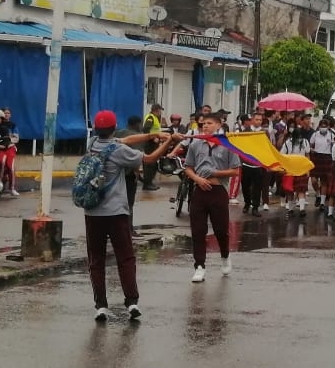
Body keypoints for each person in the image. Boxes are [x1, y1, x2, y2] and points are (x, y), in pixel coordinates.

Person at [82, 110, 175, 323]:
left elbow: (125, 140)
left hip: (92, 213)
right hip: (117, 213)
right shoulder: (119, 151)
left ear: (96, 129)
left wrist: (151, 135)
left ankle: (101, 306)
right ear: (115, 128)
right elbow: (149, 158)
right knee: (125, 257)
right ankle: (132, 301)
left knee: (96, 260)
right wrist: (168, 141)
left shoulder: (91, 144)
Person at [179, 114, 243, 282]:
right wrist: (198, 179)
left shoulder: (227, 145)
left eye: (209, 123)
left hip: (218, 191)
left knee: (221, 230)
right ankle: (199, 266)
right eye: (203, 123)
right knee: (198, 231)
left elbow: (235, 170)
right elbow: (188, 167)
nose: (205, 126)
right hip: (200, 192)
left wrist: (215, 173)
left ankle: (225, 255)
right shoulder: (196, 144)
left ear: (218, 125)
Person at [139, 103, 164, 190]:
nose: (161, 112)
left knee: (153, 164)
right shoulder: (151, 117)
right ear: (156, 110)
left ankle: (149, 182)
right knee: (149, 164)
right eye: (160, 110)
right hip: (150, 144)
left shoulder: (155, 118)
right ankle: (147, 184)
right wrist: (153, 139)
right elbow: (146, 129)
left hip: (153, 144)